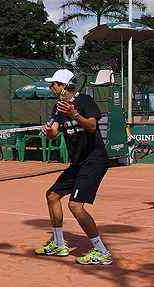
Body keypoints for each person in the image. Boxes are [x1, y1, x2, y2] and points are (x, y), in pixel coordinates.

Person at [34, 69, 113, 265]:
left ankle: (102, 251)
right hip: (77, 162)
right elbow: (54, 132)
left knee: (75, 205)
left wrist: (75, 114)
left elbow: (92, 126)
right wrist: (50, 132)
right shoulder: (57, 108)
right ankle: (60, 244)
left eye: (54, 84)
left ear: (63, 86)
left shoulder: (85, 101)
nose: (51, 87)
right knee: (52, 196)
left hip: (94, 160)